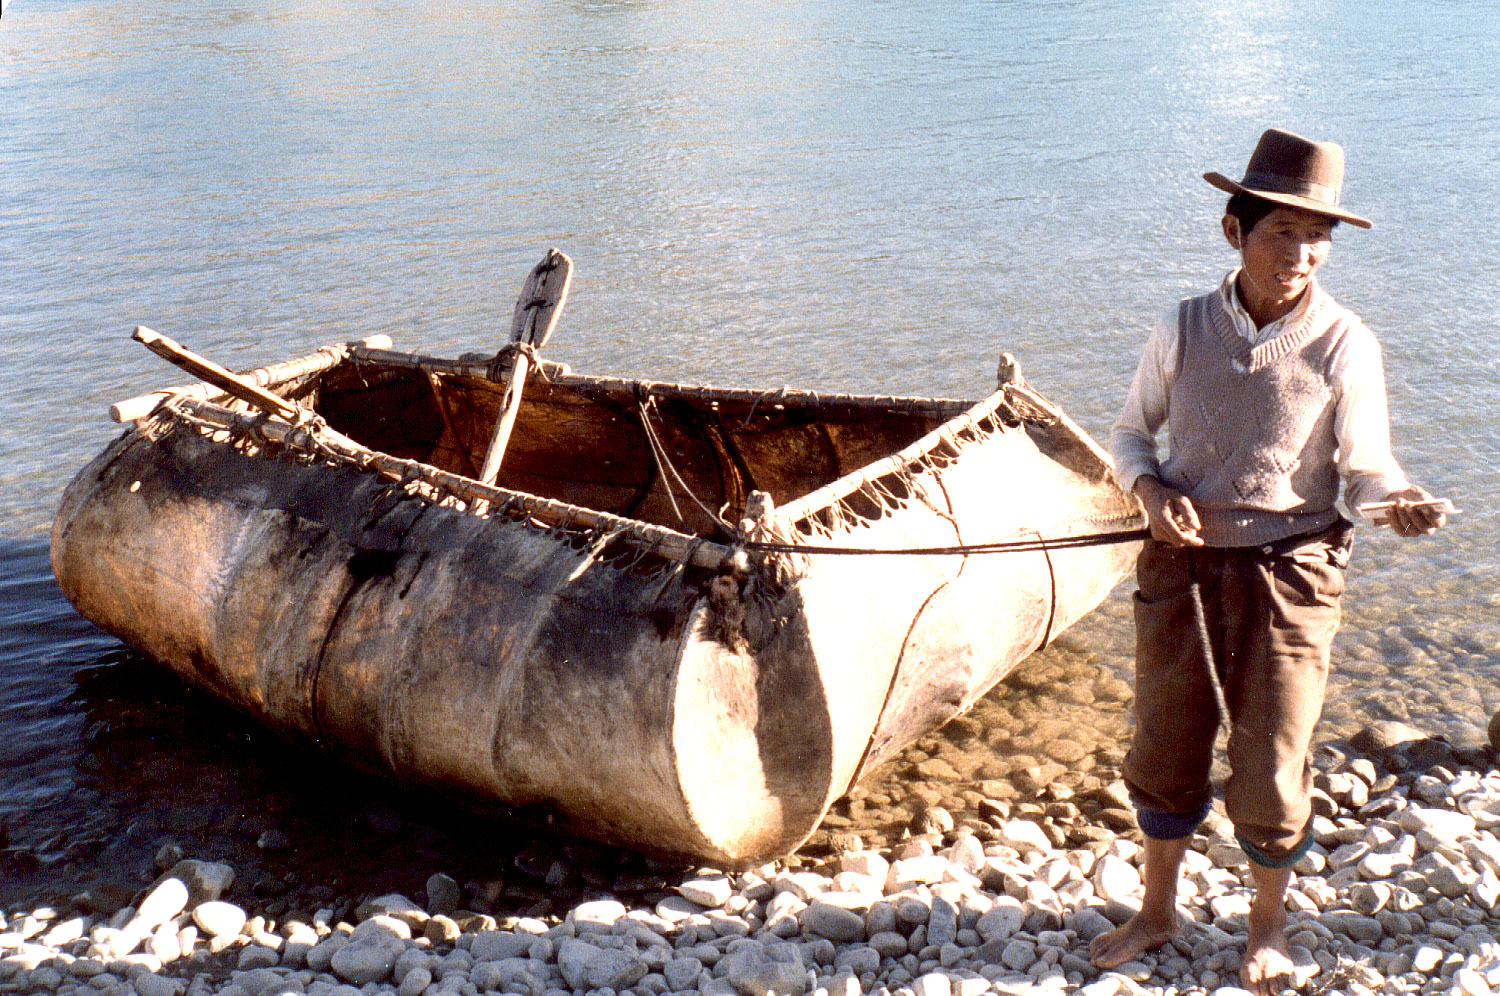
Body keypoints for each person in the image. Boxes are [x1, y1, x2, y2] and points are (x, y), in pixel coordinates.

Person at [1089, 128, 1448, 995]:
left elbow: (1365, 470)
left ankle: (1267, 926)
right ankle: (1158, 911)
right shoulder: (1179, 327)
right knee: (1167, 745)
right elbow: (1131, 433)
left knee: (1275, 756)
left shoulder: (1346, 343)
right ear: (1232, 231)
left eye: (1316, 237)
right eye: (1279, 232)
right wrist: (1147, 495)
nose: (1301, 254)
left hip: (1294, 574)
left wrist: (1396, 502)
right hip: (1179, 568)